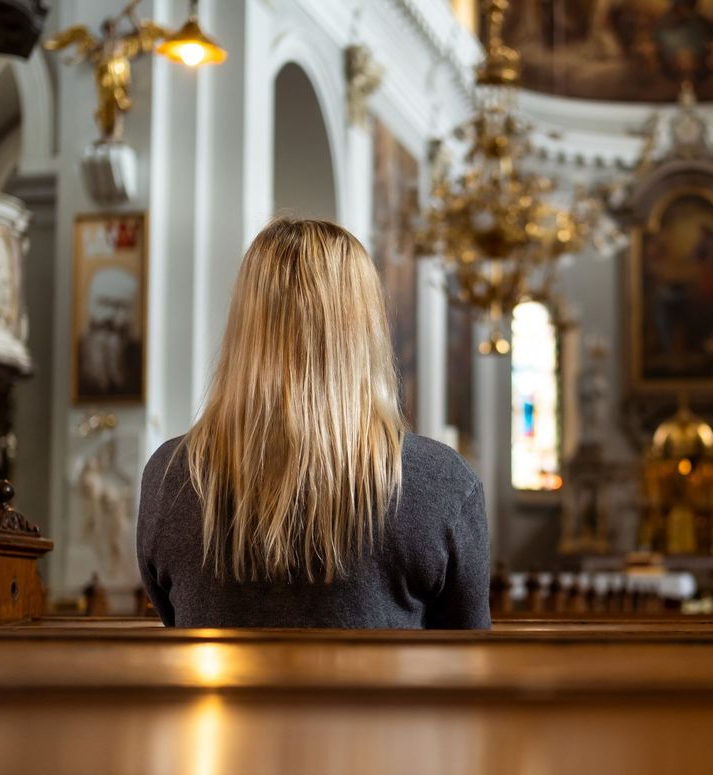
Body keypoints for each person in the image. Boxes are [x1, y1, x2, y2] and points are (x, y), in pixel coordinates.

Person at [136, 218, 490, 628]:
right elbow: (468, 655)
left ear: (244, 327)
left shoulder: (170, 475)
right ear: (367, 331)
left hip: (219, 695)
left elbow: (173, 617)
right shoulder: (442, 481)